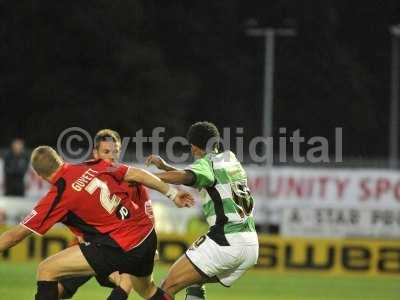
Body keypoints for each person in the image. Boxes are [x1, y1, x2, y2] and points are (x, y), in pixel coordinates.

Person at [0, 145, 193, 300]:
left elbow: (16, 234)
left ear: (40, 175)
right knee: (148, 291)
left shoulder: (59, 195)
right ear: (59, 159)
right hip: (147, 236)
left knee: (46, 269)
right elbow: (136, 173)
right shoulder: (91, 165)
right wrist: (172, 193)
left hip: (122, 247)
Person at [145, 121, 259, 300]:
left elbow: (187, 176)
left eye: (192, 146)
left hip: (226, 241)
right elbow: (199, 178)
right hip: (251, 245)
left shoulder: (208, 164)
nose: (191, 151)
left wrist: (143, 178)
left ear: (196, 146)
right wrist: (166, 168)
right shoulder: (230, 159)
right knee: (195, 281)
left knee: (166, 287)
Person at [58, 129, 152, 299]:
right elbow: (66, 212)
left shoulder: (133, 182)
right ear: (95, 154)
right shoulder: (82, 179)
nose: (112, 157)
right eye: (106, 152)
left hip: (119, 250)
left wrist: (152, 247)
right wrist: (79, 234)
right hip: (88, 246)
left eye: (115, 152)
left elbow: (148, 218)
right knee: (60, 290)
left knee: (128, 279)